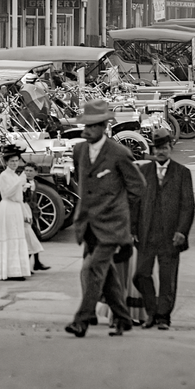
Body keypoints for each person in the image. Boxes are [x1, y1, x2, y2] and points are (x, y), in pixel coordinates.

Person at [64, 101, 144, 338]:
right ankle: (122, 317)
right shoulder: (79, 151)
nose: (85, 131)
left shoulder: (119, 154)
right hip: (87, 225)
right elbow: (84, 184)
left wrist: (119, 211)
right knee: (106, 275)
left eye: (90, 127)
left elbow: (138, 188)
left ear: (103, 127)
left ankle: (82, 320)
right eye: (84, 126)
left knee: (92, 270)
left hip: (111, 226)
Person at [132, 130, 195, 330]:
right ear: (153, 149)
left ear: (170, 149)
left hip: (171, 236)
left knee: (168, 279)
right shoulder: (144, 172)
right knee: (141, 274)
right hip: (147, 235)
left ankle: (163, 318)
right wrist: (133, 229)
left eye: (164, 148)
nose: (161, 152)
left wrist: (182, 231)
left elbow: (188, 205)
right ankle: (151, 312)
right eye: (158, 148)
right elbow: (135, 202)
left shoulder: (182, 173)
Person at [0, 148, 34, 280]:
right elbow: (7, 193)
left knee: (17, 236)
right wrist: (20, 183)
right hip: (7, 208)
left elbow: (18, 195)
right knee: (8, 236)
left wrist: (25, 210)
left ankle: (15, 270)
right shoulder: (4, 176)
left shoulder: (15, 176)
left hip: (15, 208)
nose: (15, 164)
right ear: (6, 162)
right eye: (12, 161)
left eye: (16, 161)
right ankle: (7, 270)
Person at [22, 162, 50, 271]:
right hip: (25, 213)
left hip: (32, 213)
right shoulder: (22, 183)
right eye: (26, 170)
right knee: (33, 238)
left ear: (36, 173)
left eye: (30, 171)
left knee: (35, 237)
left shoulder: (35, 183)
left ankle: (36, 263)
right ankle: (30, 264)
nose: (28, 173)